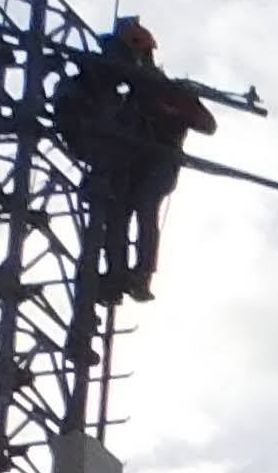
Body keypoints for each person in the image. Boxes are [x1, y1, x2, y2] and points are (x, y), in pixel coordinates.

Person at [56, 18, 217, 310]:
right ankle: (117, 276)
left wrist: (172, 109)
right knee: (117, 213)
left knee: (144, 207)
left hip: (160, 162)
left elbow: (207, 124)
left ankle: (141, 275)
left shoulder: (168, 89)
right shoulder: (130, 93)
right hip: (131, 162)